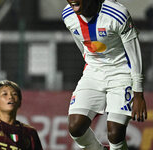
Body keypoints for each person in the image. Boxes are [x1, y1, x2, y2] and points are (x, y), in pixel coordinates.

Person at [62, 0, 147, 150]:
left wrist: (138, 92)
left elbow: (134, 53)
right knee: (75, 127)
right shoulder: (68, 15)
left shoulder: (117, 14)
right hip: (93, 72)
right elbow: (83, 47)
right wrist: (91, 66)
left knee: (115, 133)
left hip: (121, 73)